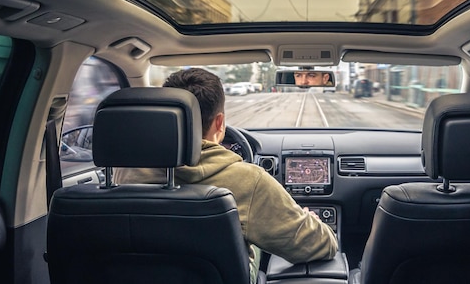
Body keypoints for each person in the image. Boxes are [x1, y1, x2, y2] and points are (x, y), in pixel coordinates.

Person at [113, 68, 338, 283]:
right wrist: (313, 223)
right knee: (253, 234)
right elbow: (322, 245)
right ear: (220, 123)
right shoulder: (250, 182)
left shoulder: (122, 173)